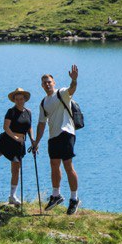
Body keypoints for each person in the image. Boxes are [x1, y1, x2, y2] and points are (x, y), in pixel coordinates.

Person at [30, 65, 80, 214]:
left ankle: (74, 199)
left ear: (54, 82)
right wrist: (36, 142)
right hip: (53, 136)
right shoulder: (43, 103)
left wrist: (74, 80)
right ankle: (56, 196)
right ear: (41, 85)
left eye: (49, 81)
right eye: (44, 82)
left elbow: (72, 89)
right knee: (54, 165)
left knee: (67, 165)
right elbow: (41, 123)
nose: (47, 84)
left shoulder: (62, 93)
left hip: (66, 133)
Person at [0, 87, 33, 205]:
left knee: (16, 169)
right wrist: (14, 137)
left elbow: (29, 128)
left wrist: (33, 140)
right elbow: (6, 127)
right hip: (6, 140)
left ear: (25, 99)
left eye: (21, 99)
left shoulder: (28, 112)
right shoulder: (11, 111)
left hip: (20, 143)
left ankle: (12, 196)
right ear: (14, 100)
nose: (19, 101)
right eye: (17, 99)